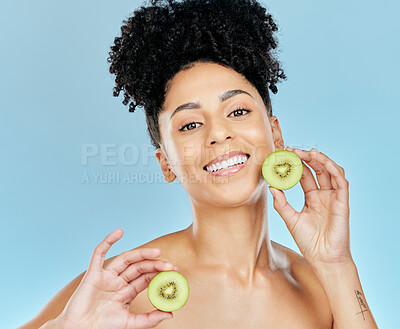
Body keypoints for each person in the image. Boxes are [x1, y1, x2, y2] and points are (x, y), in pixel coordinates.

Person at [18, 0, 379, 328]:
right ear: (166, 163)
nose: (218, 134)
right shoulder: (120, 288)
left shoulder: (324, 288)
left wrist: (336, 265)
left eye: (237, 111)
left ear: (275, 135)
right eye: (190, 124)